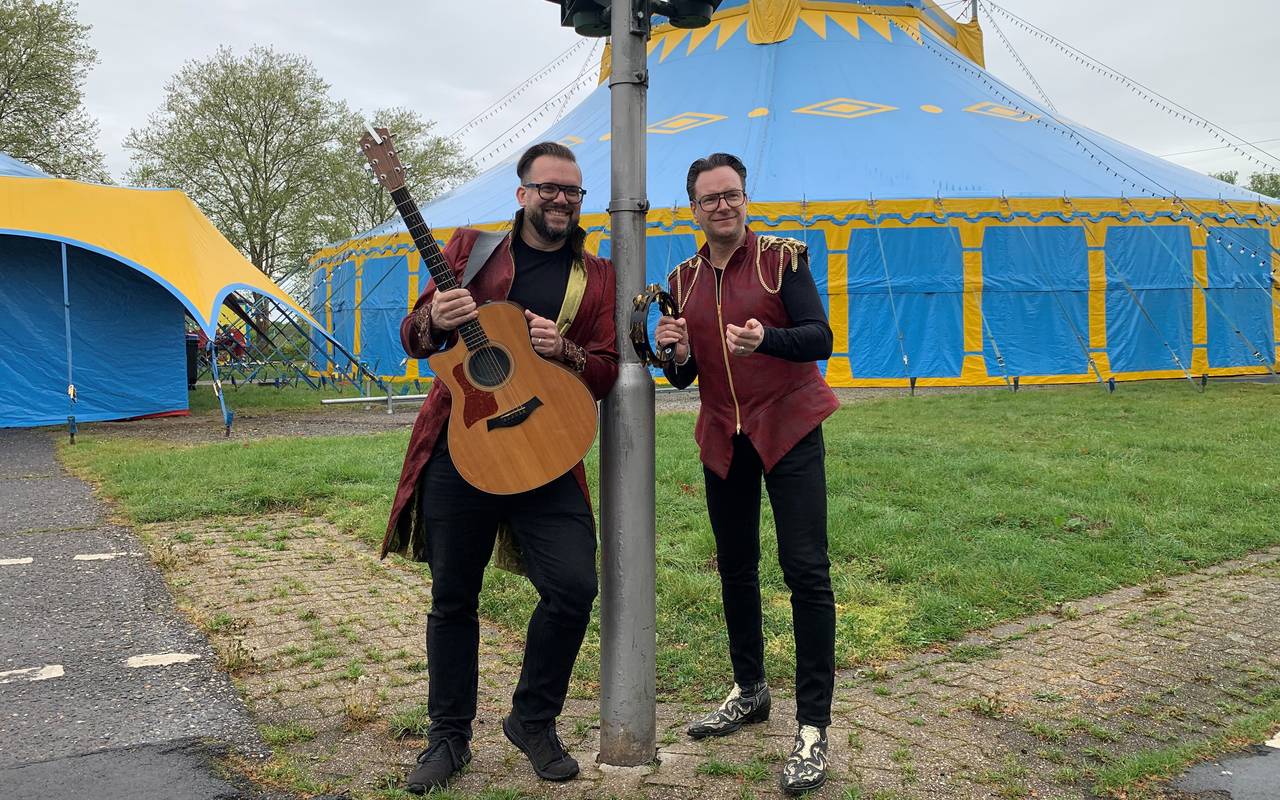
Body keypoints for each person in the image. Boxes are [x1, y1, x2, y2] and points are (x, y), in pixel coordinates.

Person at [381, 141, 618, 794]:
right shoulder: (469, 252)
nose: (562, 200)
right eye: (550, 188)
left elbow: (606, 370)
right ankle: (448, 738)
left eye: (573, 191)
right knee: (453, 597)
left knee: (574, 587)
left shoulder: (596, 278)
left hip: (545, 451)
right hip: (463, 449)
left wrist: (564, 349)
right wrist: (432, 317)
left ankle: (532, 718)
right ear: (522, 194)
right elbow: (410, 336)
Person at [655, 152, 839, 795]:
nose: (722, 207)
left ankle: (813, 728)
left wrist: (769, 341)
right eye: (709, 199)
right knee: (735, 566)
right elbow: (683, 375)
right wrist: (671, 352)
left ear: (744, 196)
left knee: (805, 571)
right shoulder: (680, 279)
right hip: (723, 435)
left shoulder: (782, 259)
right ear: (694, 207)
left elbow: (821, 338)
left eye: (731, 195)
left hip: (788, 426)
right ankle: (750, 689)